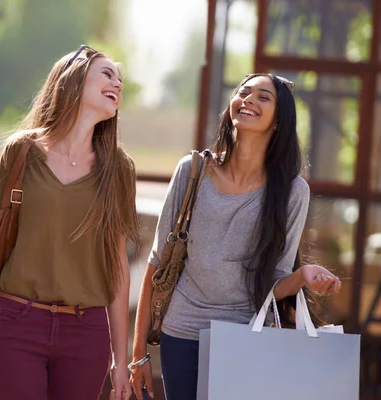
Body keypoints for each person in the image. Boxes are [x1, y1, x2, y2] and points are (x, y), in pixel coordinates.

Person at [0, 45, 139, 400]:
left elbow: (117, 265)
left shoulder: (118, 169)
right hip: (16, 325)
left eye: (120, 79)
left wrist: (122, 360)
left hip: (85, 332)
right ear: (72, 79)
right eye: (107, 73)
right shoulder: (22, 152)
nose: (117, 83)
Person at [129, 73, 342, 400]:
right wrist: (138, 353)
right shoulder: (192, 170)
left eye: (263, 97)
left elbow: (276, 280)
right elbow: (157, 265)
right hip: (181, 334)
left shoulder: (291, 191)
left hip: (244, 338)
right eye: (244, 92)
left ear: (279, 119)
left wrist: (302, 277)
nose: (249, 100)